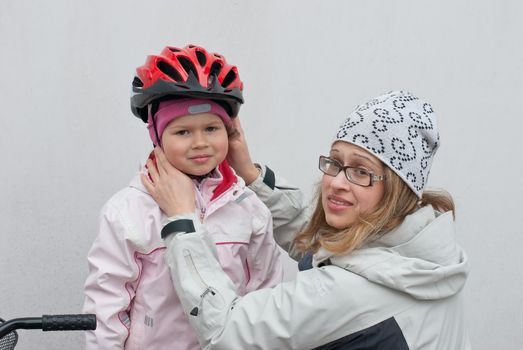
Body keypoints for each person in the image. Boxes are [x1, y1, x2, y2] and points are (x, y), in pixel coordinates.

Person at [147, 90, 471, 349]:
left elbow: (226, 331)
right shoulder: (425, 255)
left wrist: (182, 220)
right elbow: (323, 246)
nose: (338, 182)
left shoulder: (346, 294)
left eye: (361, 171)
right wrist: (251, 175)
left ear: (399, 189)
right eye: (335, 162)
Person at [82, 44, 288, 349]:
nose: (200, 143)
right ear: (156, 135)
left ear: (230, 132)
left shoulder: (250, 208)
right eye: (183, 132)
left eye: (211, 128)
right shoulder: (128, 210)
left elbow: (266, 293)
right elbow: (106, 303)